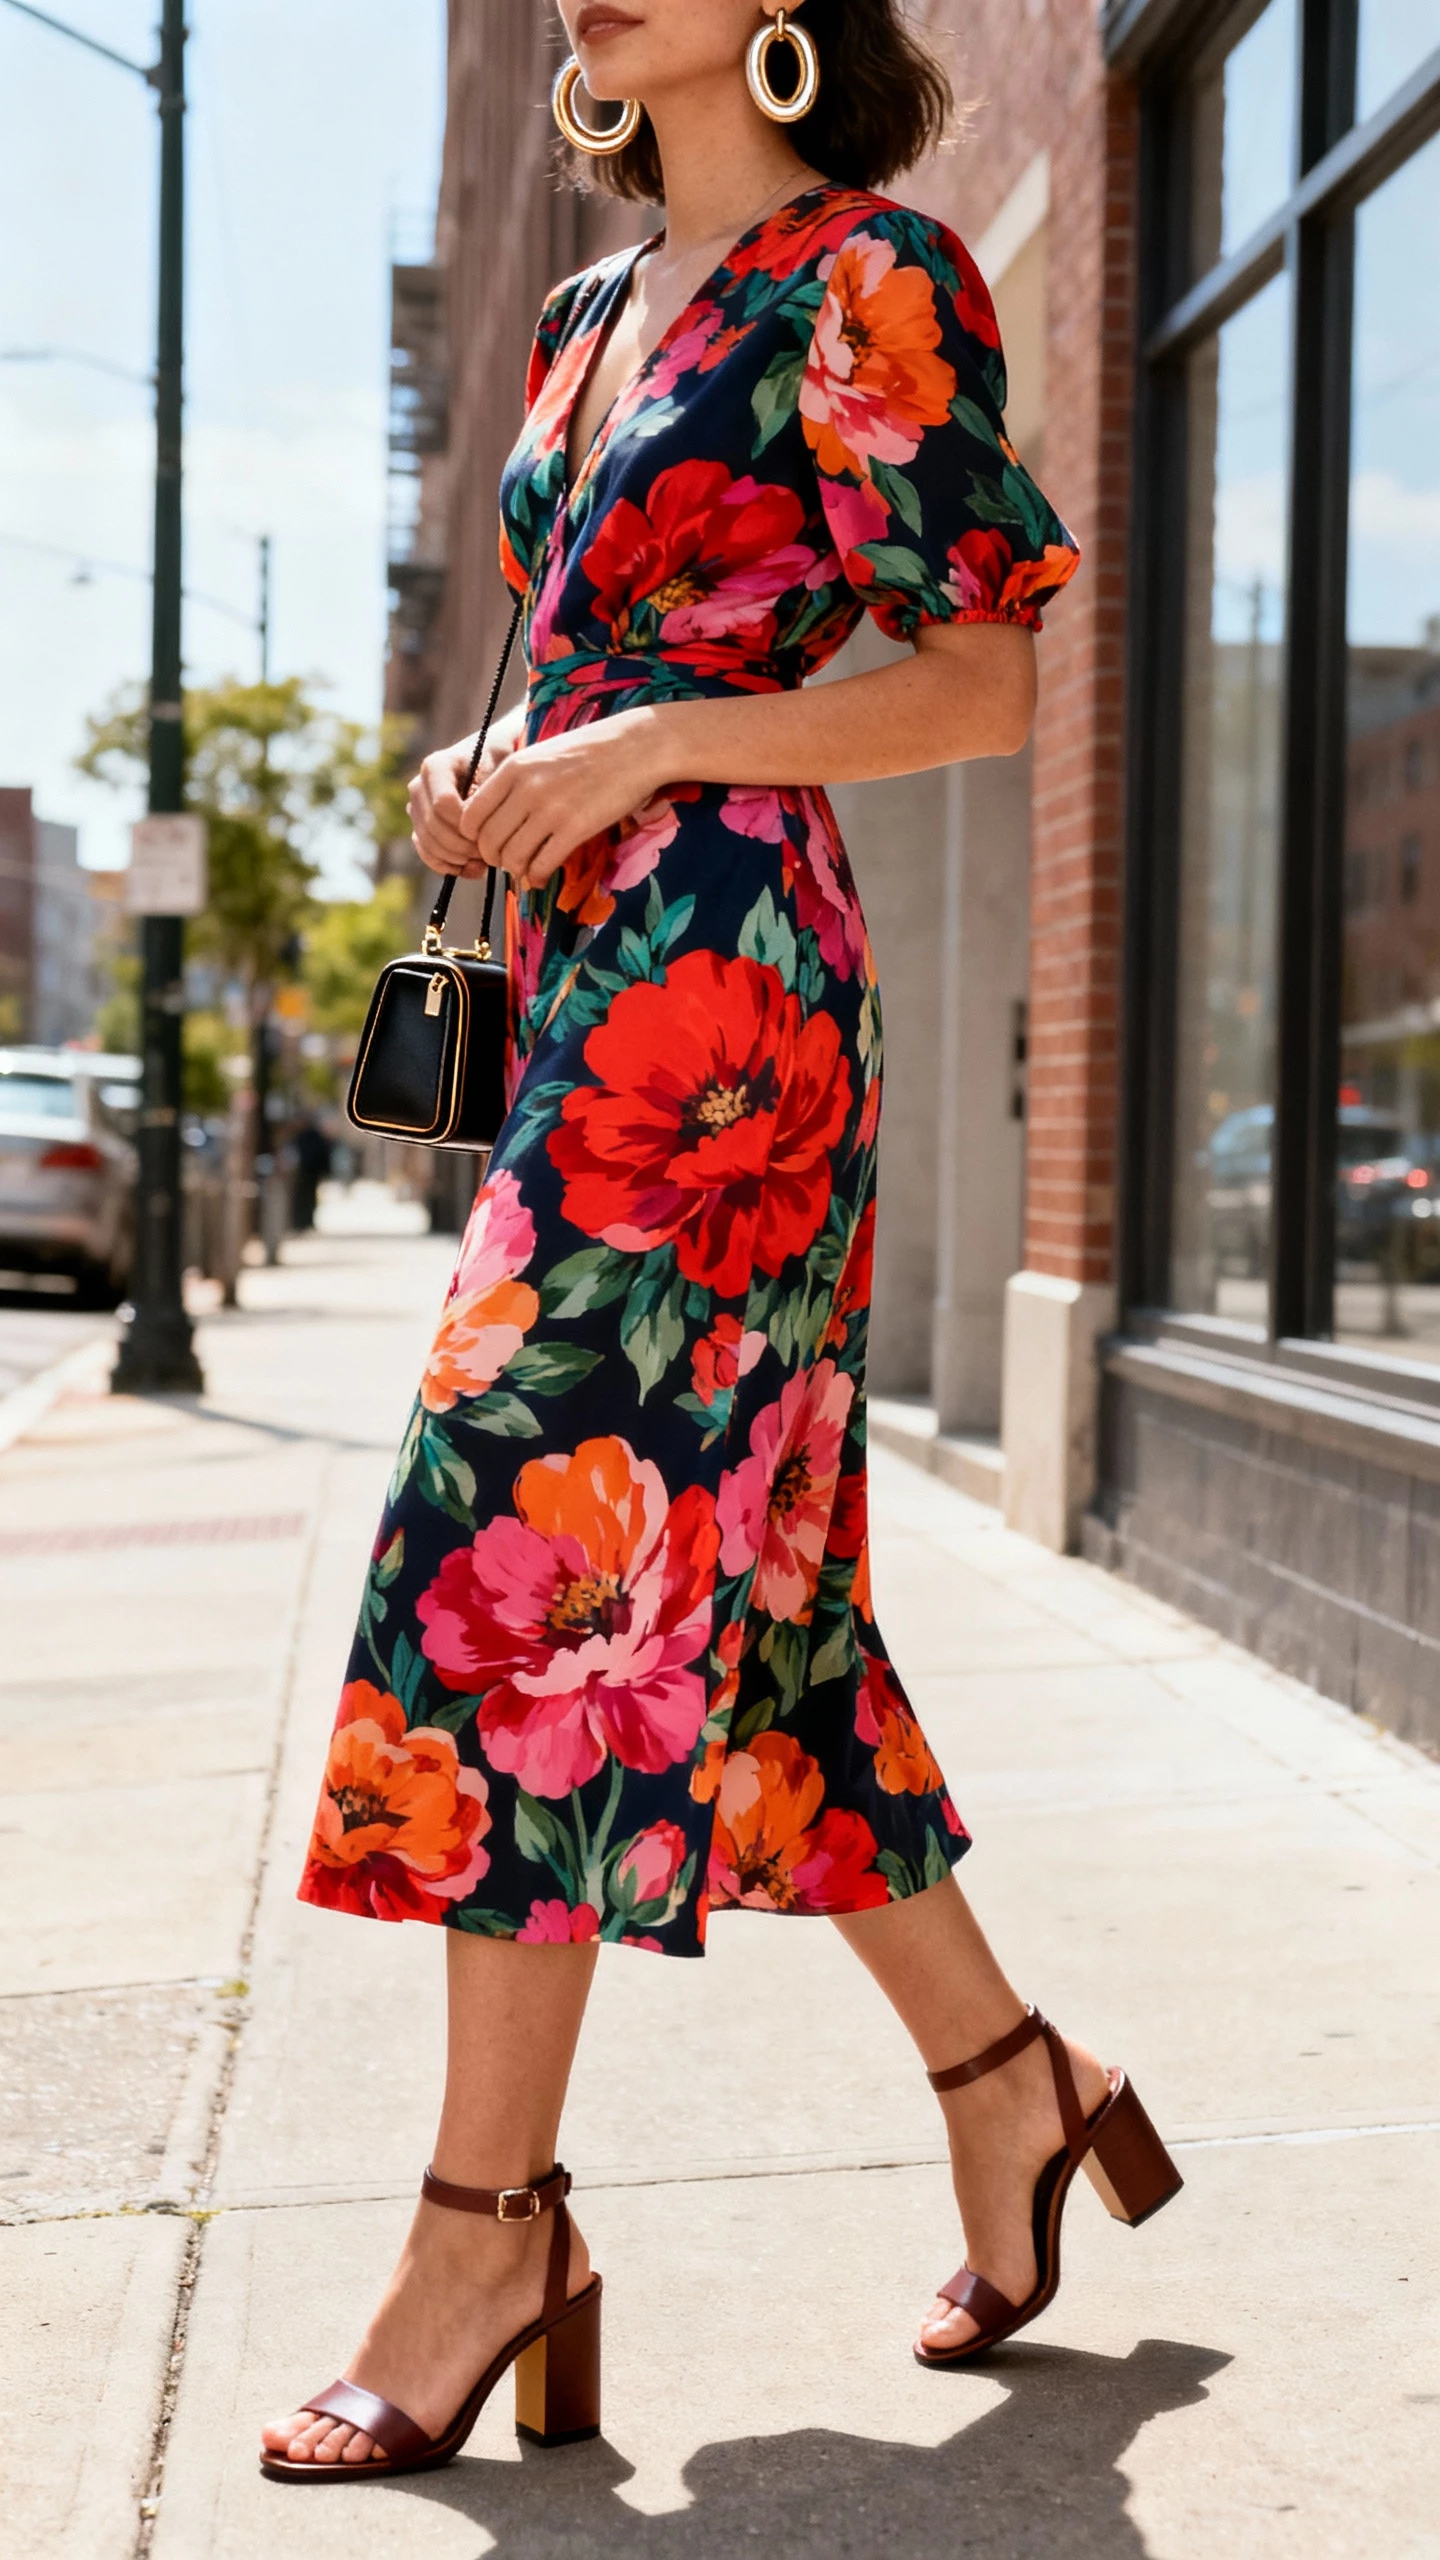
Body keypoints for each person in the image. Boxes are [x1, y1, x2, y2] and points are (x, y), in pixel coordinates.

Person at [262, 0, 1181, 2483]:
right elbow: (589, 662)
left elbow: (984, 676)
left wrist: (660, 739)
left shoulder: (866, 280)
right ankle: (1019, 2082)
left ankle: (486, 2228)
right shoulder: (585, 318)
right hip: (579, 981)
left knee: (514, 1536)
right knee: (753, 1613)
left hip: (732, 1023)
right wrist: (508, 765)